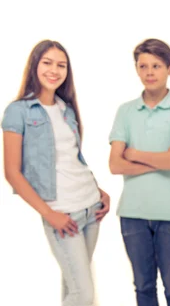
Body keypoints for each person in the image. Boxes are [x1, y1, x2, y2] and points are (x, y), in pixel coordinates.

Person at [2, 39, 110, 306]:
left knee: (73, 287)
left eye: (61, 65)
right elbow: (12, 172)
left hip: (90, 209)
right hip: (63, 214)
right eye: (47, 63)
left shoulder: (66, 108)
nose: (54, 70)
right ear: (34, 66)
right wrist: (49, 214)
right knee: (83, 294)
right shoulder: (18, 111)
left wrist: (99, 191)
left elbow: (74, 158)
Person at [108, 38, 170, 306]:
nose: (149, 72)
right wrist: (163, 157)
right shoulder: (125, 112)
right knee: (143, 288)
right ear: (136, 69)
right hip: (132, 214)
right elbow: (115, 165)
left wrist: (134, 153)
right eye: (143, 66)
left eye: (156, 66)